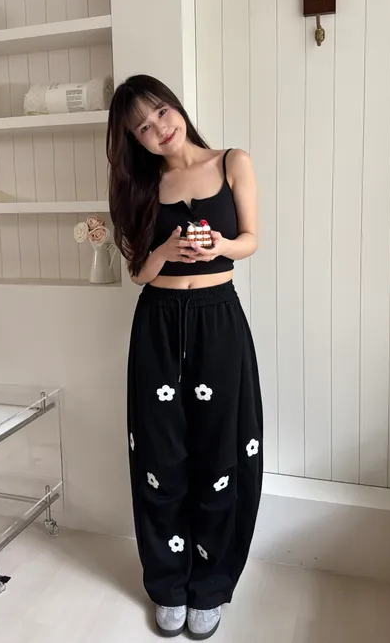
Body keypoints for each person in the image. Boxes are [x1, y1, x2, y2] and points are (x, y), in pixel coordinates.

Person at [107, 75, 263, 640]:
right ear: (135, 140)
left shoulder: (232, 162)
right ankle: (168, 583)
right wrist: (166, 251)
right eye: (141, 128)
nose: (158, 129)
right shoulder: (141, 185)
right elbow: (137, 272)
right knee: (160, 454)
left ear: (176, 107)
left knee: (220, 452)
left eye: (160, 112)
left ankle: (211, 585)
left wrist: (221, 246)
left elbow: (250, 239)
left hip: (218, 319)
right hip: (158, 321)